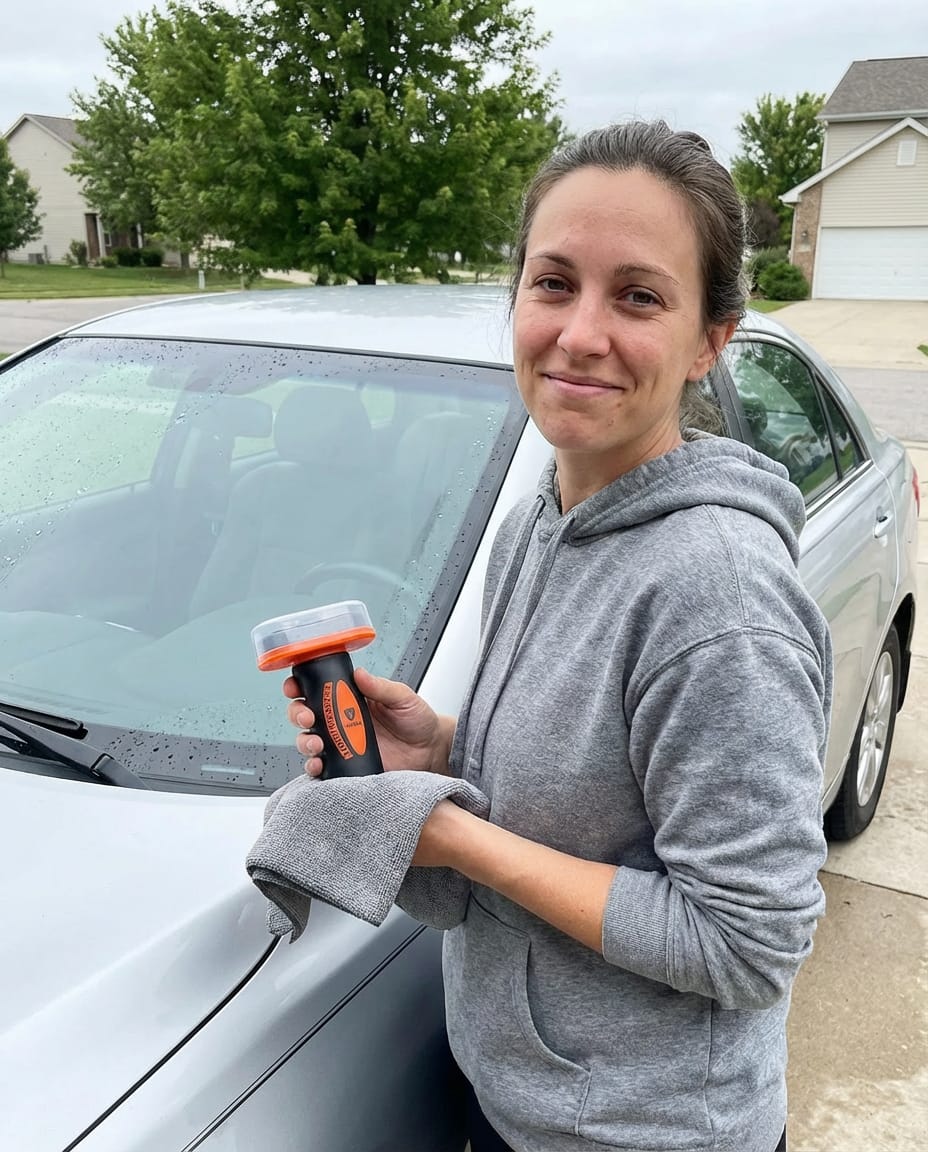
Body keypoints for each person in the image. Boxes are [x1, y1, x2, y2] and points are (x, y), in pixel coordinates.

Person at [285, 121, 830, 1152]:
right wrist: (442, 752)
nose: (580, 334)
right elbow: (608, 788)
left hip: (642, 1134)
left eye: (638, 296)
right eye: (553, 283)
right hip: (521, 1099)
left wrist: (455, 837)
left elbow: (749, 942)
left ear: (709, 341)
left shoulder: (717, 595)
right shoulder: (540, 520)